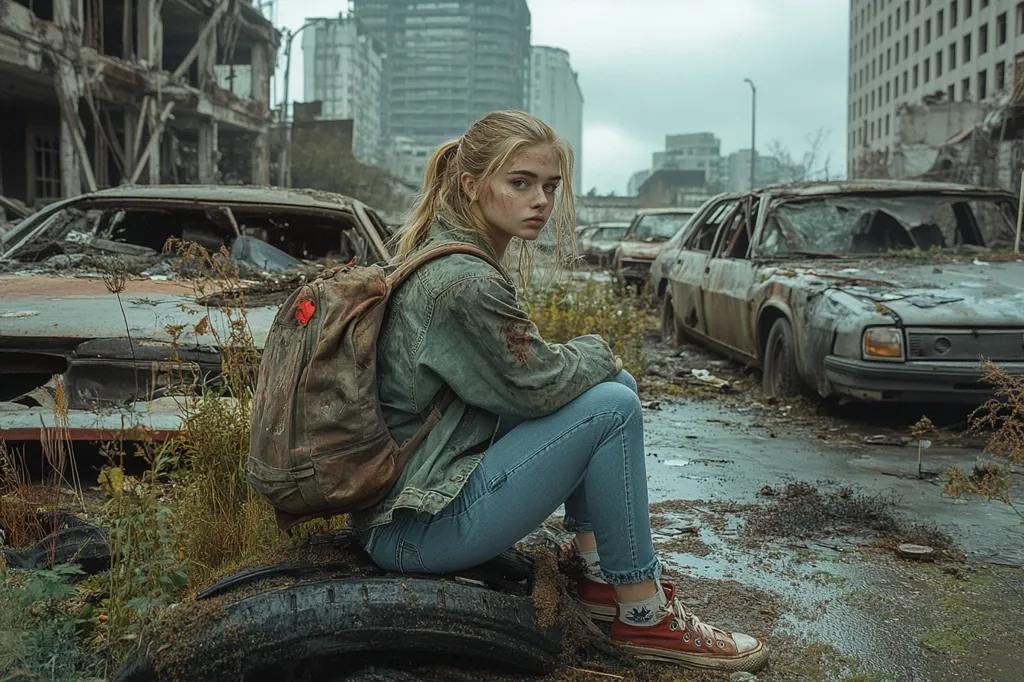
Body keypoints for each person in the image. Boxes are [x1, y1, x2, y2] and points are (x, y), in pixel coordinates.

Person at [352, 110, 768, 673]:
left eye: (549, 186)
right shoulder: (462, 280)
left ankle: (601, 576)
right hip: (418, 531)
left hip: (414, 503)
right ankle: (643, 614)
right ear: (472, 185)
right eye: (520, 183)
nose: (541, 201)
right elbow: (537, 386)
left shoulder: (447, 251)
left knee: (610, 388)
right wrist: (600, 348)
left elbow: (523, 381)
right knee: (614, 403)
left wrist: (598, 365)